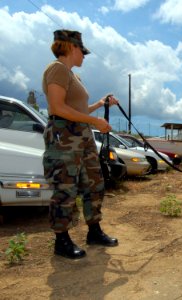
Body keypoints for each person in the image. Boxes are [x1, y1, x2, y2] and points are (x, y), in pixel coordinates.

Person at [42, 29, 119, 259]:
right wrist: (94, 121)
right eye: (82, 51)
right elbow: (57, 107)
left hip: (81, 136)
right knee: (65, 188)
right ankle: (61, 240)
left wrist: (99, 104)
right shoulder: (56, 68)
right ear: (71, 48)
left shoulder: (74, 76)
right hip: (64, 137)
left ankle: (94, 231)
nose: (84, 56)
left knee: (94, 184)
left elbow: (78, 110)